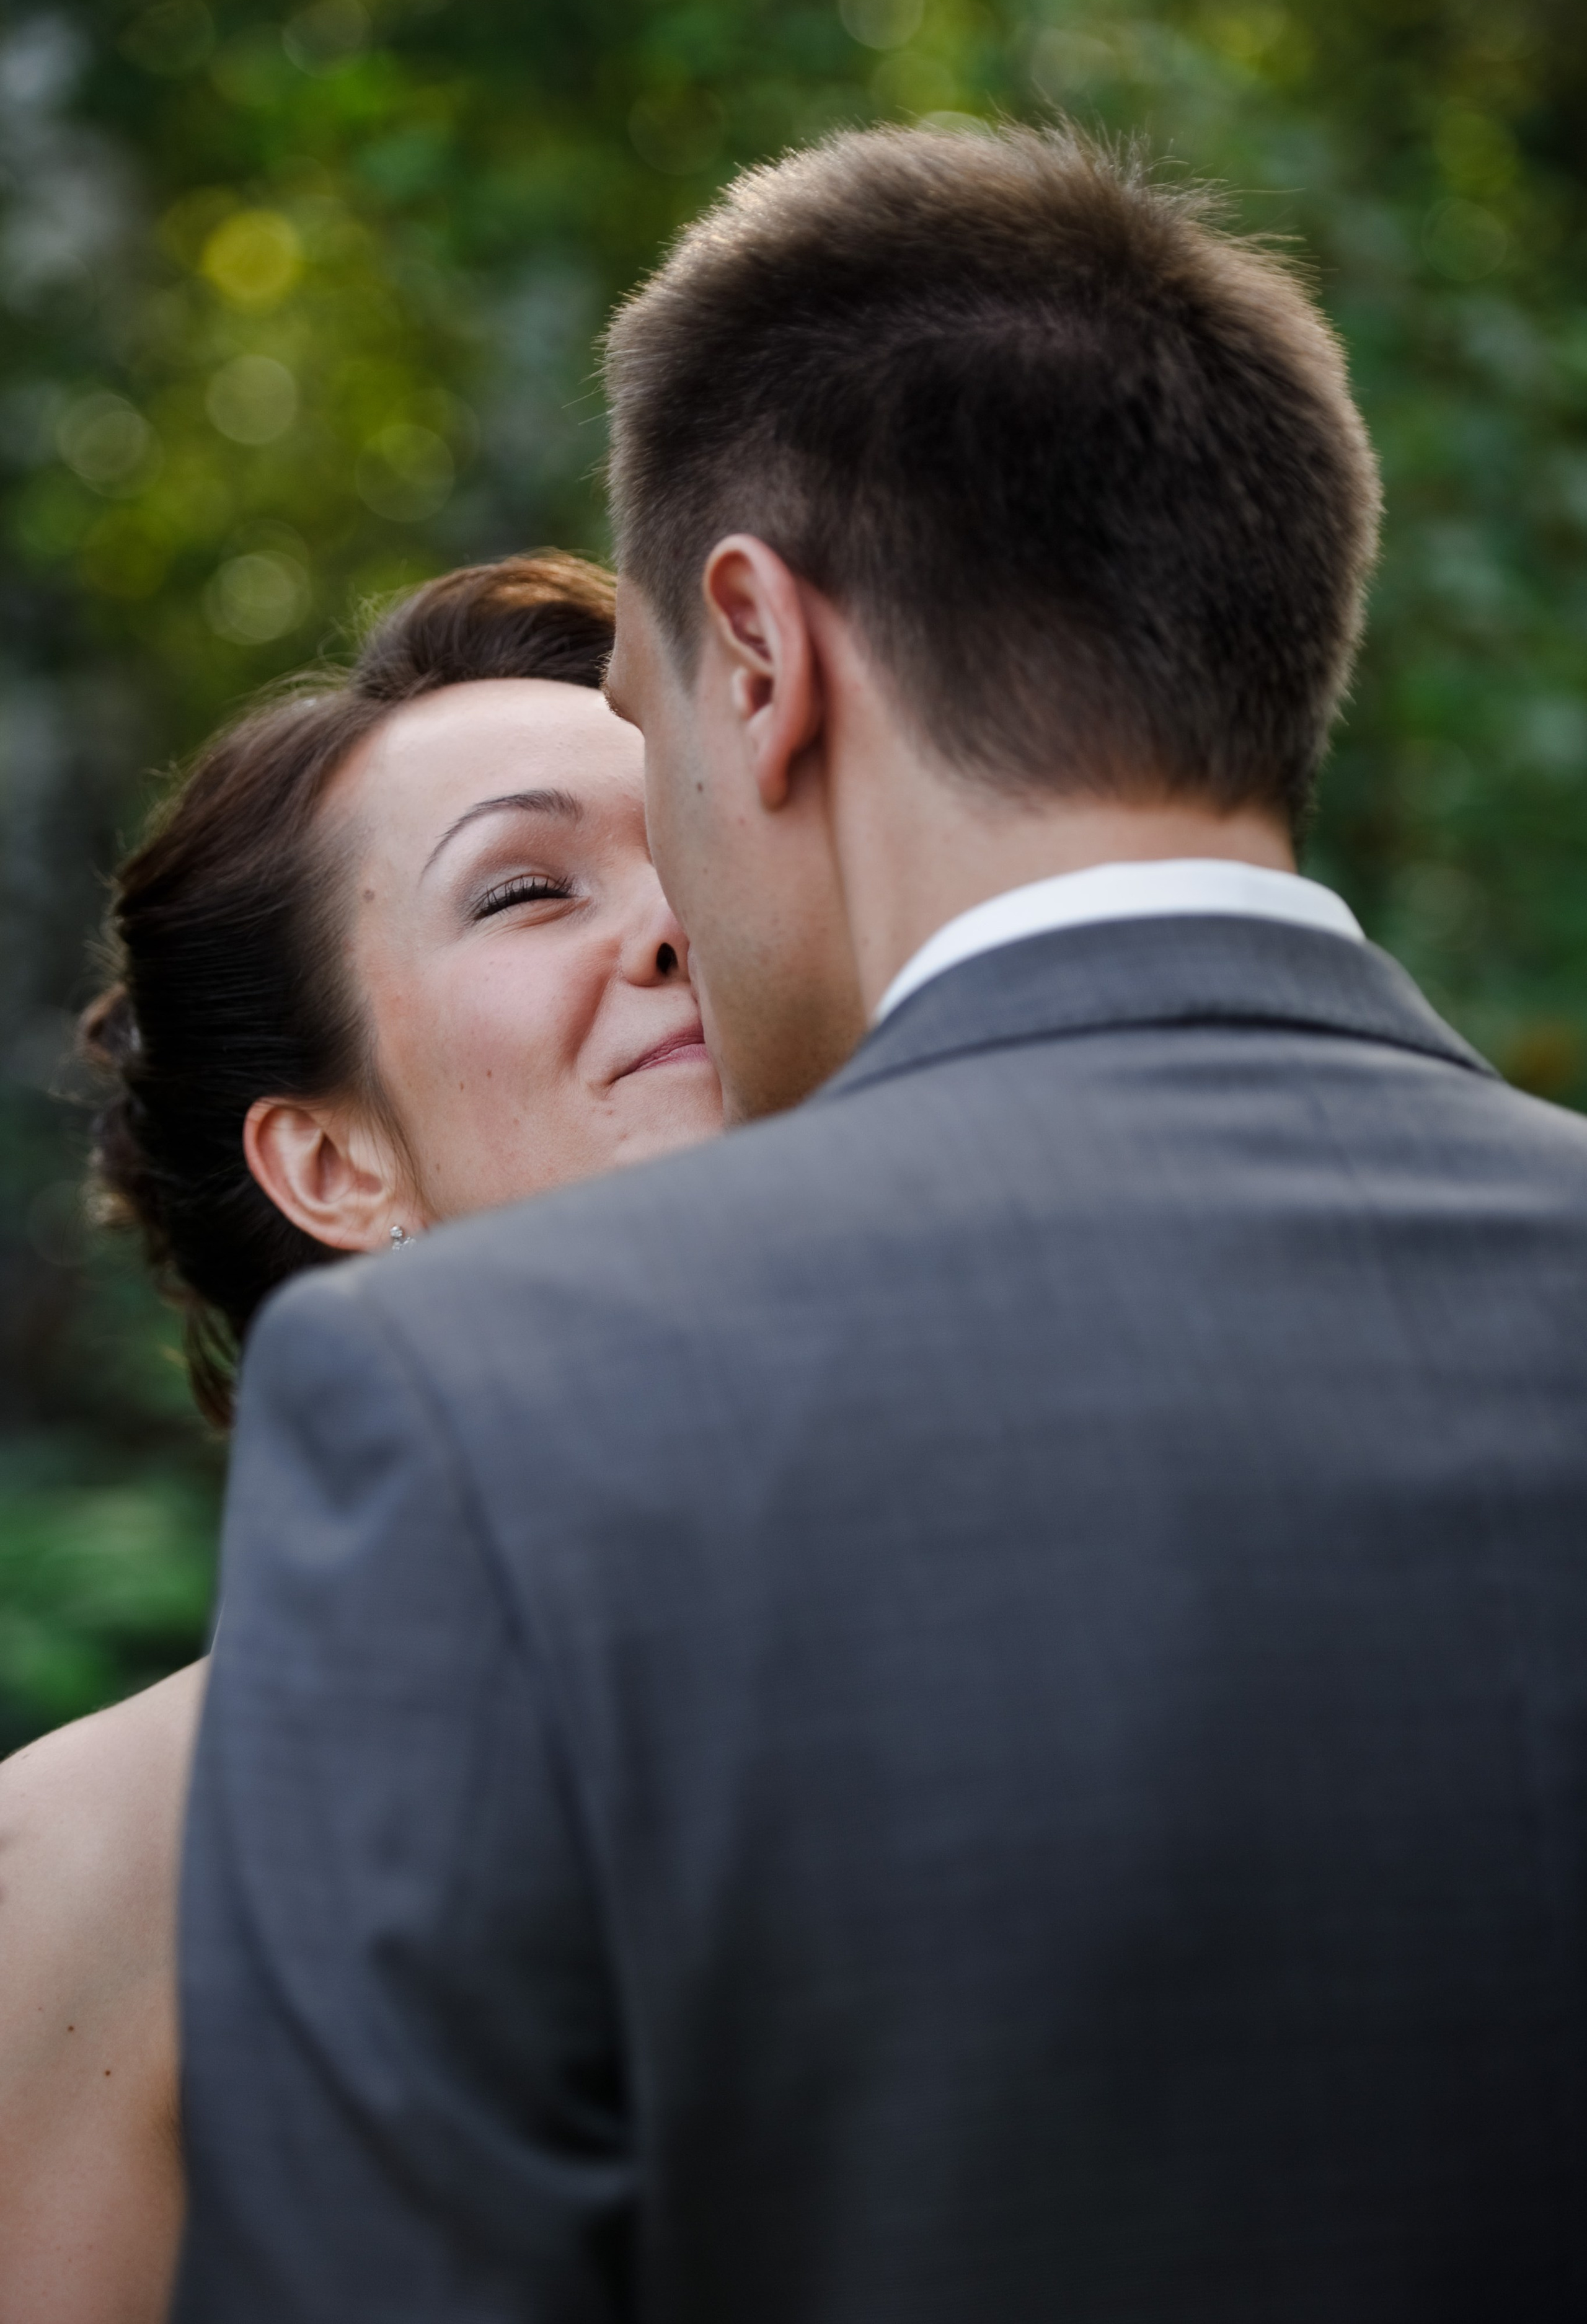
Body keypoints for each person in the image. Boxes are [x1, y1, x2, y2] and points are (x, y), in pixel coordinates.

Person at [179, 126, 1587, 2322]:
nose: (668, 912)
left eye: (648, 765)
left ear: (758, 654)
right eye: (538, 883)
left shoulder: (478, 1420)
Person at [0, 553, 723, 2324]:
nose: (678, 924)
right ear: (334, 1165)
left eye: (707, 853)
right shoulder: (102, 1857)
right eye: (526, 890)